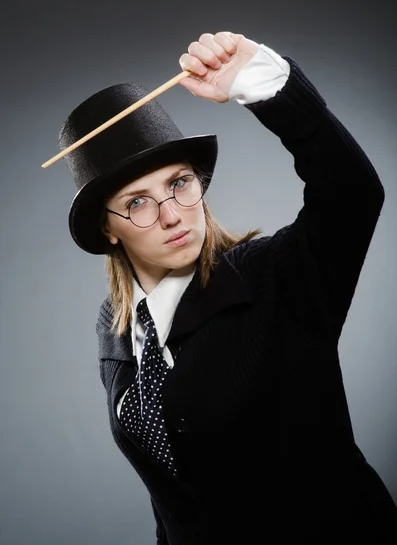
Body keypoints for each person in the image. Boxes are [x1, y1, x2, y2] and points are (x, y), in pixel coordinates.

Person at [58, 31, 397, 542]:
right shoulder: (118, 323)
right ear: (108, 228)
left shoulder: (275, 278)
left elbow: (352, 191)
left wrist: (262, 83)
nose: (172, 214)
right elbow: (172, 491)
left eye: (179, 183)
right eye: (137, 202)